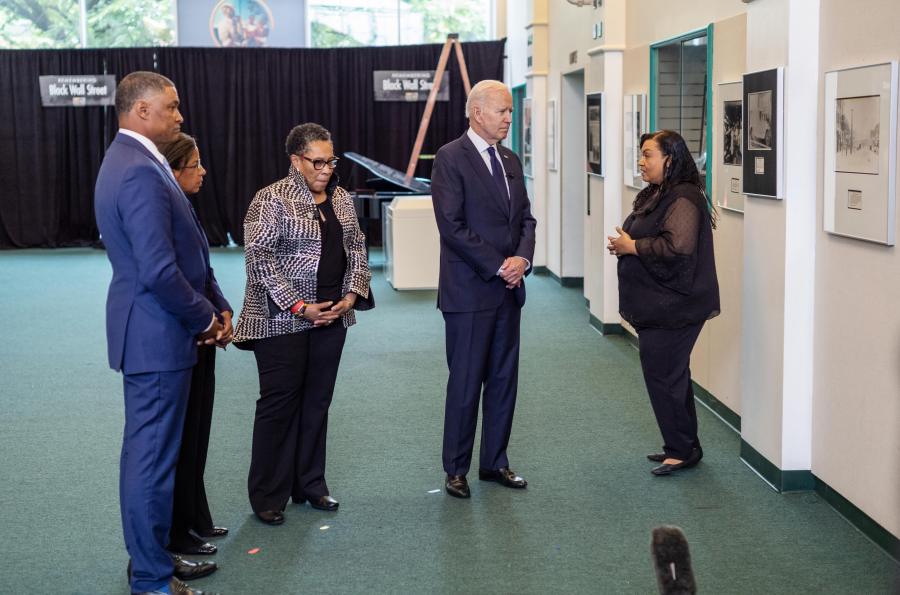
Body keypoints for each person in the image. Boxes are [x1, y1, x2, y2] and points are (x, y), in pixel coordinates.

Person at [94, 71, 223, 595]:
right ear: (141, 111)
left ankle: (155, 558)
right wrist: (206, 317)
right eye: (171, 107)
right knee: (150, 462)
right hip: (156, 333)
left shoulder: (135, 160)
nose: (179, 115)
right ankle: (150, 577)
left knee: (154, 457)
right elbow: (158, 270)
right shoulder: (138, 170)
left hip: (153, 331)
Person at [233, 123, 372, 526]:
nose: (327, 168)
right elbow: (259, 259)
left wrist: (350, 296)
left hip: (333, 316)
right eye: (318, 161)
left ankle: (310, 484)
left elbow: (358, 249)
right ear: (296, 161)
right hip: (281, 320)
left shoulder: (342, 199)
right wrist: (299, 306)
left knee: (317, 403)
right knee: (279, 405)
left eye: (331, 160)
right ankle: (267, 495)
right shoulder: (270, 199)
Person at [430, 79, 537, 499]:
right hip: (469, 292)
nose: (510, 118)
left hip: (508, 291)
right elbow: (452, 226)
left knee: (503, 379)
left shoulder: (509, 158)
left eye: (510, 111)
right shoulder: (450, 158)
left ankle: (495, 462)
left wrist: (522, 261)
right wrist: (498, 265)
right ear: (477, 112)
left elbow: (526, 219)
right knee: (466, 382)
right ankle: (456, 469)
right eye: (503, 111)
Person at [607, 130, 720, 476]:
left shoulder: (683, 197)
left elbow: (678, 248)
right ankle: (684, 445)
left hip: (677, 307)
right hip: (662, 305)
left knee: (664, 376)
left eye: (648, 155)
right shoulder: (660, 193)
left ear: (669, 159)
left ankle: (682, 449)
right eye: (641, 155)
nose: (641, 162)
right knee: (672, 376)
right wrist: (626, 244)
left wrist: (633, 247)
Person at [159, 133, 232, 562]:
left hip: (204, 332)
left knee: (199, 430)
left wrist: (222, 309)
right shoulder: (166, 208)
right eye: (195, 165)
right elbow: (171, 277)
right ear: (173, 170)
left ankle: (196, 516)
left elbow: (204, 271)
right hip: (185, 334)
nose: (203, 172)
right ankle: (180, 534)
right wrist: (206, 320)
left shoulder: (187, 206)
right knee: (183, 439)